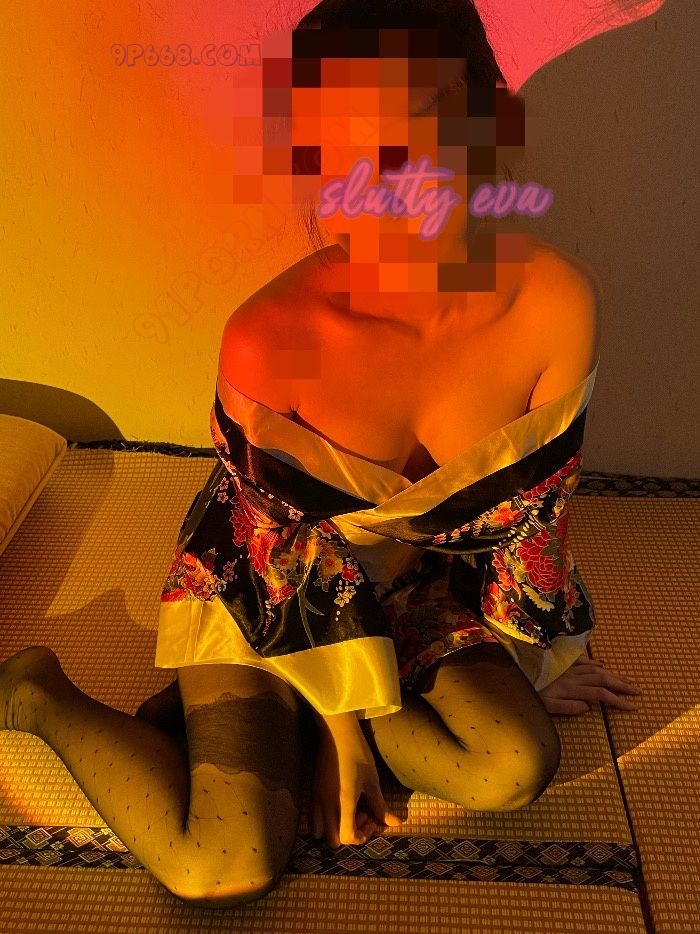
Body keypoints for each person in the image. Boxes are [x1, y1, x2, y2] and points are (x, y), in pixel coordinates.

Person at [0, 0, 642, 911]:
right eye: (344, 143)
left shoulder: (557, 304)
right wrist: (347, 729)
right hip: (264, 596)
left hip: (421, 588)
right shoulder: (270, 338)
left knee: (513, 765)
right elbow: (287, 560)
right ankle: (37, 693)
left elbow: (537, 513)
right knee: (221, 865)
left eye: (420, 126)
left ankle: (263, 732)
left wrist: (546, 649)